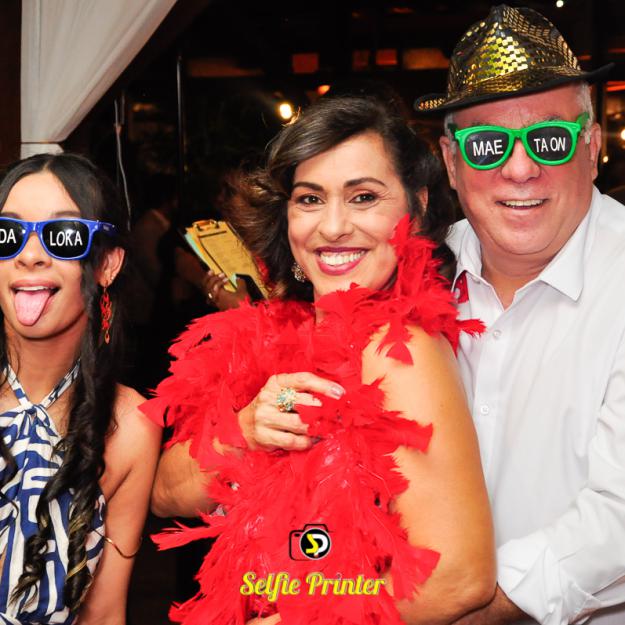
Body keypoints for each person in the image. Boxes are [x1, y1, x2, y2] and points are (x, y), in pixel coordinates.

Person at [143, 94, 495, 625]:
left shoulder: (400, 349)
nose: (332, 227)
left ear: (417, 207)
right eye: (310, 199)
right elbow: (165, 494)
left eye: (363, 197)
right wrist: (246, 429)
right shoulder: (273, 335)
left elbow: (458, 577)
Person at [415, 4, 624, 624]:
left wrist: (454, 607)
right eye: (486, 145)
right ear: (451, 163)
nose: (520, 169)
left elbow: (617, 517)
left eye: (549, 140)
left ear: (591, 146)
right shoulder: (411, 274)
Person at [0, 153, 161, 624]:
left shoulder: (129, 426)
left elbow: (104, 614)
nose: (29, 255)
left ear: (107, 263)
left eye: (63, 236)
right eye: (8, 234)